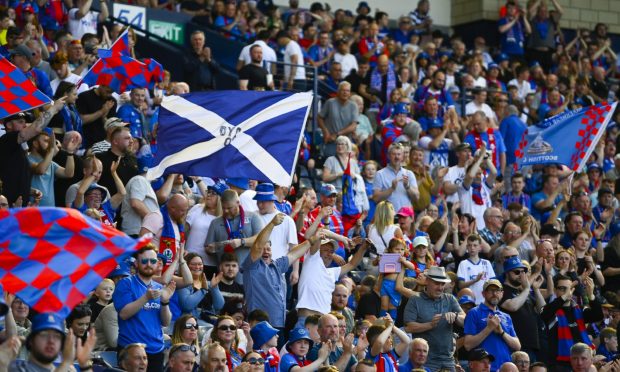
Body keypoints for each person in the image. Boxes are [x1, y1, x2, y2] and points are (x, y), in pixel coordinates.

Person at [244, 212, 320, 329]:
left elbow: (294, 254)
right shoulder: (252, 266)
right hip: (260, 326)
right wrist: (272, 224)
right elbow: (258, 245)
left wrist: (311, 241)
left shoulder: (277, 265)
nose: (266, 251)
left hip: (279, 324)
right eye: (263, 250)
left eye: (268, 249)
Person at [114, 246, 177, 371]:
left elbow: (166, 322)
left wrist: (165, 302)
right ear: (136, 263)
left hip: (156, 349)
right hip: (131, 350)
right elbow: (124, 314)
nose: (149, 264)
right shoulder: (126, 283)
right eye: (144, 261)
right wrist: (146, 298)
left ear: (157, 263)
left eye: (152, 261)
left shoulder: (159, 287)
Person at [0, 99, 65, 206]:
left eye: (25, 122)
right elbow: (35, 128)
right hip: (10, 207)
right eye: (20, 122)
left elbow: (12, 178)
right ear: (9, 125)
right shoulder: (6, 140)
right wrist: (53, 109)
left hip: (20, 205)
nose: (25, 125)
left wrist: (29, 191)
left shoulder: (17, 148)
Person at [403, 266, 465, 371]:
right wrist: (429, 325)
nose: (440, 287)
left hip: (448, 359)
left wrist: (456, 316)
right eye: (437, 283)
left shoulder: (450, 299)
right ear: (427, 281)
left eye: (442, 284)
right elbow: (408, 327)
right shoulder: (415, 300)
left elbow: (465, 320)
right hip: (425, 360)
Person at [541, 273, 603, 370]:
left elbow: (598, 315)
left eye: (570, 288)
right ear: (554, 290)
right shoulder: (550, 310)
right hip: (559, 364)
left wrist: (591, 295)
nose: (567, 292)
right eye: (562, 288)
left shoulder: (579, 309)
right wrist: (564, 296)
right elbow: (544, 314)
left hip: (582, 363)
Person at [463, 279, 521, 370]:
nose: (494, 294)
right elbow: (467, 345)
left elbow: (517, 346)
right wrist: (489, 328)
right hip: (485, 368)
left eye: (497, 291)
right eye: (490, 290)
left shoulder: (506, 316)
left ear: (502, 293)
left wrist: (502, 332)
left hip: (505, 368)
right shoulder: (474, 312)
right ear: (483, 294)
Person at [9, 312, 94, 371]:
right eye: (44, 335)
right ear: (31, 340)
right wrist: (66, 363)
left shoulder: (68, 369)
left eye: (57, 336)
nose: (51, 341)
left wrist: (85, 365)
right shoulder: (15, 368)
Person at [205, 189, 264, 274]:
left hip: (249, 275)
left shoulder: (253, 217)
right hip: (225, 278)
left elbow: (261, 240)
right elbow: (208, 248)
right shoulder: (215, 222)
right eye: (223, 208)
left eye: (229, 208)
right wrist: (210, 249)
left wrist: (242, 242)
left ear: (238, 202)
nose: (226, 211)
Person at [499, 257, 546, 361]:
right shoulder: (502, 290)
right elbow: (512, 306)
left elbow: (542, 309)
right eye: (516, 272)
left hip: (532, 345)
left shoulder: (523, 291)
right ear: (507, 273)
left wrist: (536, 289)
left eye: (523, 271)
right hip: (516, 345)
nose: (521, 275)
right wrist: (526, 289)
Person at [141, 194, 189, 265]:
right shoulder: (156, 217)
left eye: (186, 210)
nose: (185, 213)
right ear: (172, 208)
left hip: (173, 268)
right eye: (182, 210)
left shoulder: (177, 222)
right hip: (155, 267)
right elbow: (142, 242)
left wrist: (182, 251)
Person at [373, 142, 419, 212]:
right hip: (387, 216)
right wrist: (391, 189)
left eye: (399, 154)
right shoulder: (380, 174)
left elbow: (416, 197)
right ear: (388, 156)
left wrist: (407, 186)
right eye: (394, 154)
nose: (396, 157)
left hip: (405, 217)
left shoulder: (409, 173)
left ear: (402, 157)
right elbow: (376, 198)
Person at [318, 82, 359, 158]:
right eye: (343, 90)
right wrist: (325, 131)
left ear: (350, 93)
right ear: (338, 91)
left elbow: (353, 126)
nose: (345, 93)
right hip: (331, 141)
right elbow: (319, 118)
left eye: (347, 91)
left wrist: (337, 134)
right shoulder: (330, 102)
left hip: (346, 143)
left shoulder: (353, 106)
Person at [457, 234, 496, 304]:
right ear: (466, 247)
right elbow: (460, 285)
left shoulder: (487, 263)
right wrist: (475, 280)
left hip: (485, 303)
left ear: (480, 247)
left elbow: (493, 283)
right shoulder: (463, 264)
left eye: (475, 245)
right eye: (469, 245)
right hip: (470, 304)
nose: (472, 248)